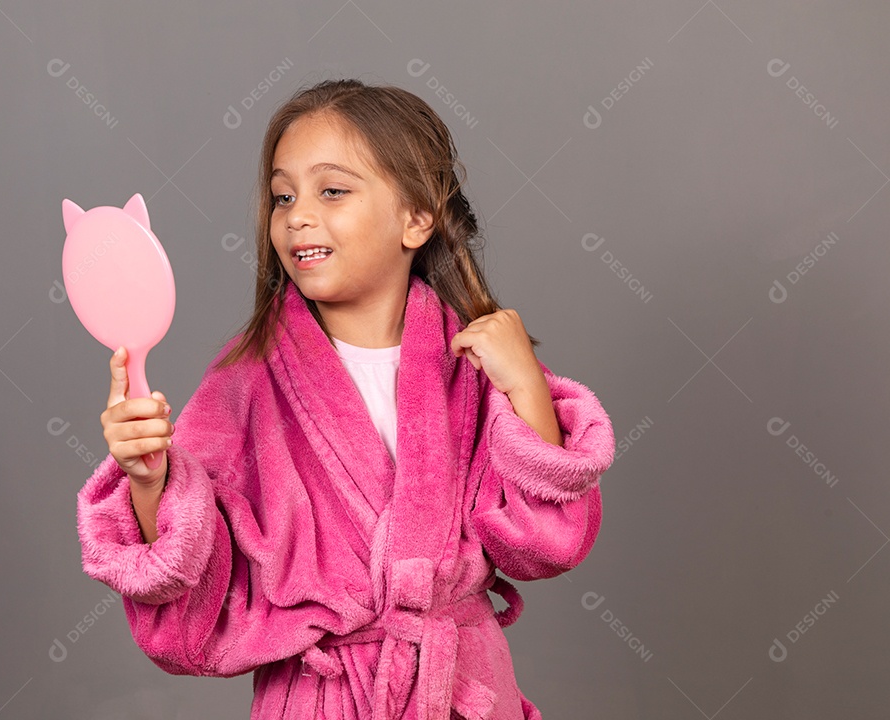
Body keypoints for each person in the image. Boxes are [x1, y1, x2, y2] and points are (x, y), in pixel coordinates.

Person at [76, 77, 615, 720]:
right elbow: (196, 590)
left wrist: (525, 384)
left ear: (416, 218)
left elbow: (544, 545)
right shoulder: (247, 379)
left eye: (332, 190)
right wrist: (149, 478)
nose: (298, 214)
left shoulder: (476, 365)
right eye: (283, 196)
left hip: (460, 692)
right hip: (321, 698)